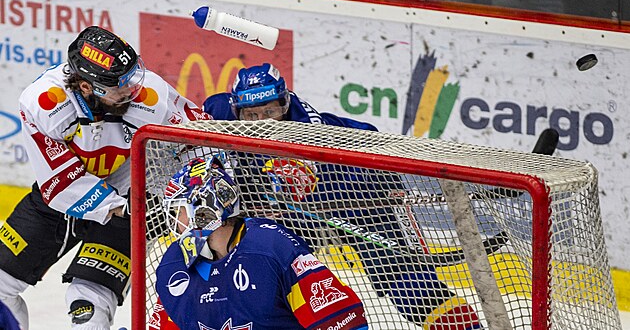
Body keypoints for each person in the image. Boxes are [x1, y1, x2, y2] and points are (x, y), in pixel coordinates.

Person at [202, 63, 482, 329]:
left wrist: (385, 186)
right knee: (260, 279)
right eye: (252, 116)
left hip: (356, 192)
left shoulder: (309, 133)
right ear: (236, 110)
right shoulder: (219, 111)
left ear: (284, 104)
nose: (262, 123)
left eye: (270, 112)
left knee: (404, 280)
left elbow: (308, 180)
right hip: (290, 216)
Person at [0, 26, 210, 330]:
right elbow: (60, 181)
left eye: (132, 74)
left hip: (132, 195)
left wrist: (182, 197)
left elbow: (198, 142)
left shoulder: (151, 97)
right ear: (87, 87)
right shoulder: (46, 104)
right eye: (119, 84)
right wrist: (126, 210)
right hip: (64, 198)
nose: (132, 88)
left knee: (87, 302)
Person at [152, 158, 368, 330]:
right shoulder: (174, 265)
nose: (175, 221)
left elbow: (343, 320)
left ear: (205, 209)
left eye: (178, 210)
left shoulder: (271, 247)